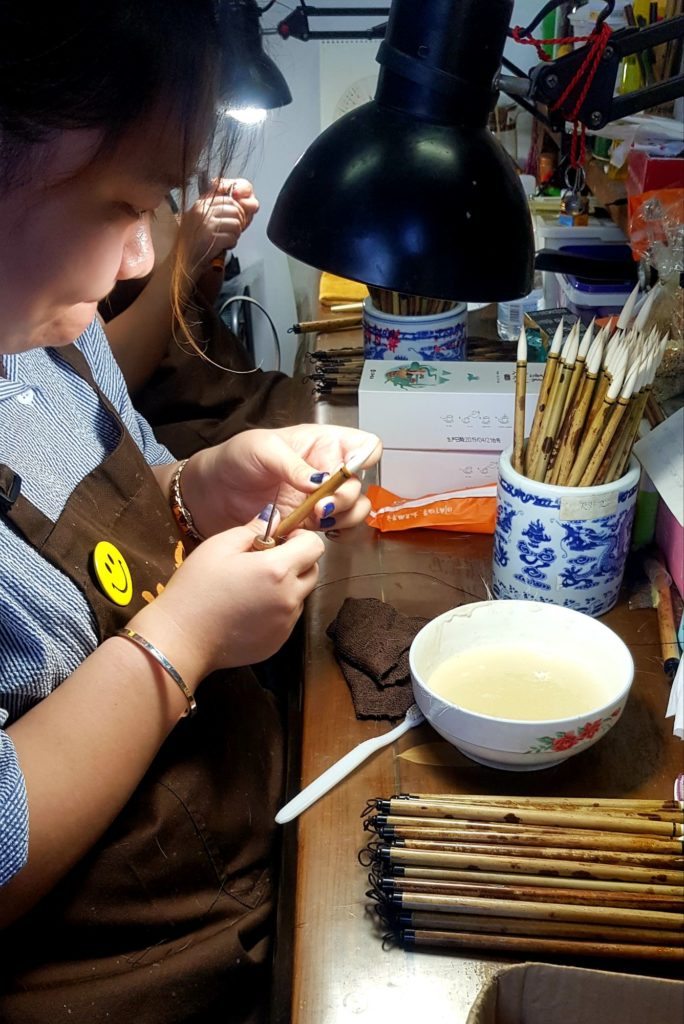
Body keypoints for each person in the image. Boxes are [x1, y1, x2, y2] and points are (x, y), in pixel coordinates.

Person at [0, 5, 380, 1022]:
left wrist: (203, 487)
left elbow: (138, 464)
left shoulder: (46, 327)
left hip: (253, 846)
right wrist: (185, 638)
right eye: (124, 205)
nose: (141, 261)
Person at [100, 179, 304, 459]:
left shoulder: (152, 178)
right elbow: (100, 377)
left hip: (249, 392)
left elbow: (192, 303)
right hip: (201, 431)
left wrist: (210, 248)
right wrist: (186, 254)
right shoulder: (76, 206)